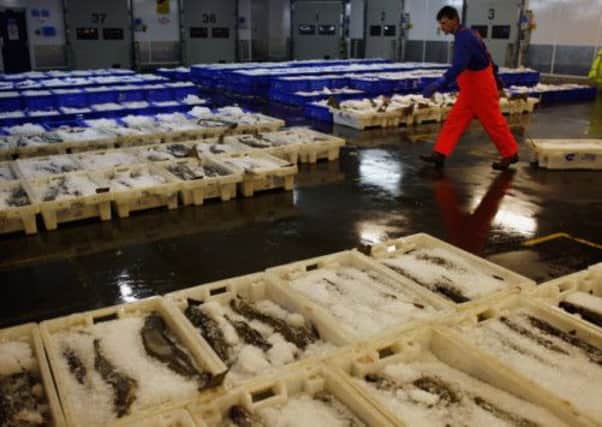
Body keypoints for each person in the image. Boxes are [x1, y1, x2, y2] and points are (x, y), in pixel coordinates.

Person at [420, 6, 519, 170]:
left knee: (493, 121)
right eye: (440, 25)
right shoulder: (470, 34)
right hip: (471, 87)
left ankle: (510, 153)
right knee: (455, 119)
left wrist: (440, 82)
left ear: (454, 19)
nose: (442, 28)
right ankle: (440, 153)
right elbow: (486, 55)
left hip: (480, 87)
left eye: (444, 24)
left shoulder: (464, 38)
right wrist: (496, 75)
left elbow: (459, 65)